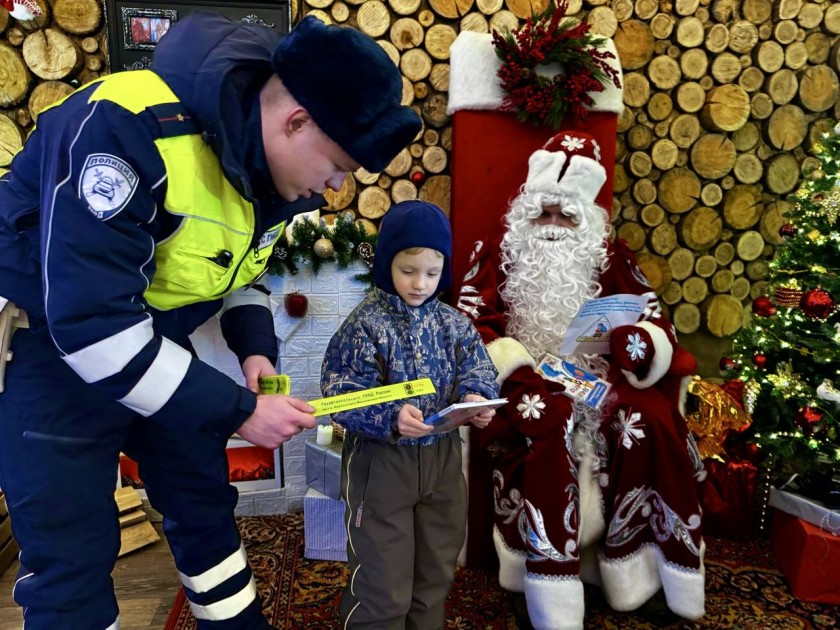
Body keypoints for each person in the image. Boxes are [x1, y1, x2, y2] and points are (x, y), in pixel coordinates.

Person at [0, 13, 420, 629]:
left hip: (150, 338)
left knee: (202, 500)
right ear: (295, 121)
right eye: (339, 164)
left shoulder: (268, 167)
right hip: (50, 347)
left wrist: (255, 349)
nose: (335, 187)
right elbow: (93, 330)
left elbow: (239, 273)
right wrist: (239, 410)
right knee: (70, 548)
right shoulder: (127, 126)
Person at [454, 130, 706, 629]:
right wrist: (517, 369)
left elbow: (654, 324)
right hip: (524, 382)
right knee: (551, 422)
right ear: (526, 213)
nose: (552, 226)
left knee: (649, 422)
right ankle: (551, 582)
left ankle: (643, 574)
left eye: (565, 216)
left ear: (585, 219)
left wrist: (632, 342)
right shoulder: (497, 255)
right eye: (543, 213)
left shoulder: (613, 260)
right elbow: (471, 326)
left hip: (600, 381)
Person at [321, 200, 500, 629]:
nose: (420, 284)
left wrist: (477, 397)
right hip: (382, 467)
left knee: (436, 570)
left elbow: (479, 368)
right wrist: (388, 415)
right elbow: (338, 393)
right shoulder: (364, 324)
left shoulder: (454, 324)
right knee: (383, 580)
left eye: (432, 273)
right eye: (407, 270)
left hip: (442, 463)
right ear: (387, 264)